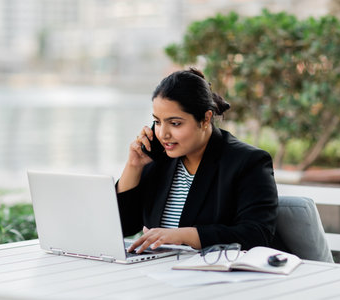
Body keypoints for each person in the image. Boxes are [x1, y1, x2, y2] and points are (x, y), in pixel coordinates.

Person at [117, 68, 278, 254]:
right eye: (158, 122)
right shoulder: (159, 158)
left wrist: (182, 236)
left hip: (216, 276)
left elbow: (257, 235)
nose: (163, 134)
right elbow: (123, 227)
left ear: (205, 119)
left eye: (175, 123)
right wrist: (133, 166)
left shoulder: (248, 162)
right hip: (157, 271)